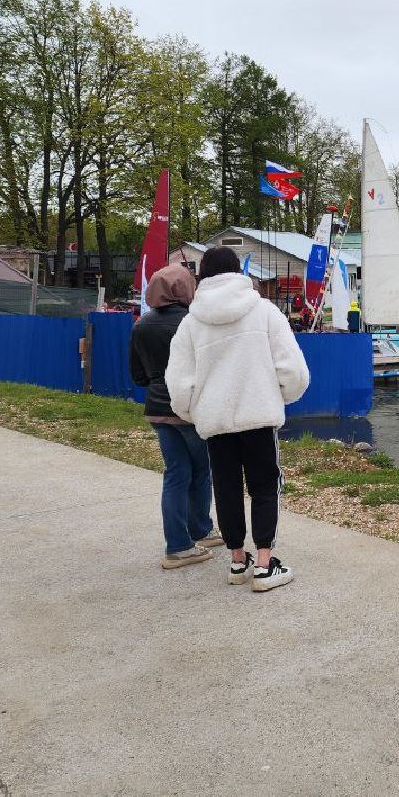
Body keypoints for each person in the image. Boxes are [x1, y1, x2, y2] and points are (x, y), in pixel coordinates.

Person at [167, 246, 309, 593]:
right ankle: (264, 563)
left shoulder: (191, 323)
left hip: (215, 422)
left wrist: (193, 411)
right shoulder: (264, 311)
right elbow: (292, 367)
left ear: (203, 276)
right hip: (258, 415)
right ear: (238, 273)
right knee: (265, 486)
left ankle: (236, 559)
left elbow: (178, 380)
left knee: (226, 487)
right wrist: (282, 396)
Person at [130, 264, 223, 570]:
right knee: (203, 471)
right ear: (186, 288)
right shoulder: (194, 322)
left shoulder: (141, 325)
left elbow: (138, 375)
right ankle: (201, 530)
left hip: (157, 409)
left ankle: (178, 545)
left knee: (175, 474)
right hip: (190, 409)